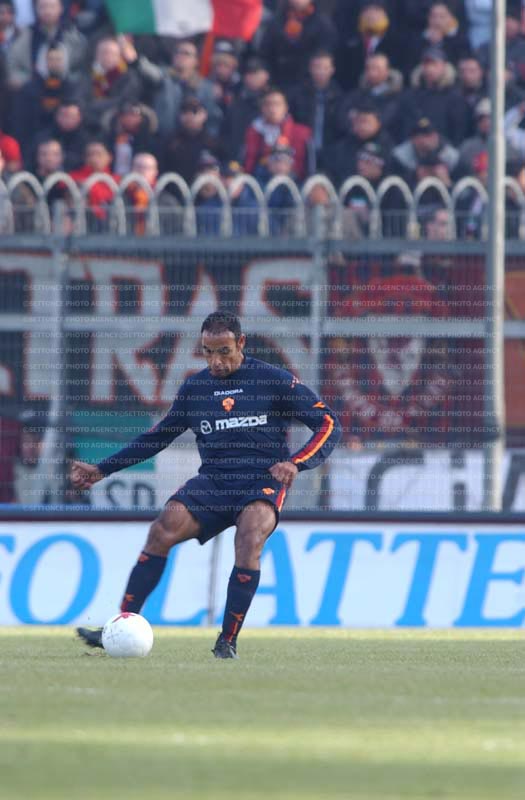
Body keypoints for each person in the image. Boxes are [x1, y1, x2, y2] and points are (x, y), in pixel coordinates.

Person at [71, 311, 341, 658]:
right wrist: (102, 469)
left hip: (262, 481)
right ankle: (118, 627)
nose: (216, 361)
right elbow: (157, 437)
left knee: (250, 536)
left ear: (241, 343)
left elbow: (328, 423)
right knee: (162, 529)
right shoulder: (195, 389)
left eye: (224, 351)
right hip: (213, 482)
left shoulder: (273, 380)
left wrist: (297, 462)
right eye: (208, 352)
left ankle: (226, 642)